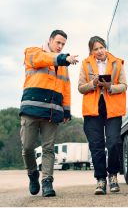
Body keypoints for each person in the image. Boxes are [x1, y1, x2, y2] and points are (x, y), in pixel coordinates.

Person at [20, 30, 79, 197]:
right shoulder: (32, 52)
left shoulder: (63, 66)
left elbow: (66, 88)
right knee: (27, 148)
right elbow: (42, 59)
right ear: (50, 40)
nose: (60, 46)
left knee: (48, 149)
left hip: (52, 111)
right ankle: (33, 174)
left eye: (63, 45)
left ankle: (47, 182)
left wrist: (66, 110)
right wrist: (63, 58)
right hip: (31, 109)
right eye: (58, 43)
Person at [78, 36, 127, 195]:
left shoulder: (117, 63)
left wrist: (109, 86)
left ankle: (113, 176)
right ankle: (100, 179)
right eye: (95, 49)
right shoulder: (85, 64)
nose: (99, 51)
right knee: (96, 146)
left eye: (101, 48)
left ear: (105, 47)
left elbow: (124, 85)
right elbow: (80, 88)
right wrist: (93, 83)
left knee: (113, 143)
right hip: (92, 110)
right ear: (91, 51)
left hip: (112, 109)